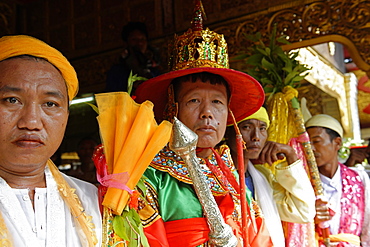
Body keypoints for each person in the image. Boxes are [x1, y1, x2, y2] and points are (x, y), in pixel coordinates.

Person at [131, 2, 273, 246]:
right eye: (194, 100)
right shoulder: (149, 178)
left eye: (217, 102)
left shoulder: (230, 174)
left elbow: (259, 238)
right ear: (171, 109)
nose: (207, 113)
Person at [0, 35, 102, 246]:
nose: (31, 122)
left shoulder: (95, 201)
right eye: (12, 100)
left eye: (50, 104)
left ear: (66, 116)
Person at [225, 107, 316, 247]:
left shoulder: (262, 177)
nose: (256, 136)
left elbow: (303, 212)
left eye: (262, 128)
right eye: (246, 127)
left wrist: (290, 154)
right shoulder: (216, 175)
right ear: (227, 132)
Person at [305, 114, 370, 246]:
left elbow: (368, 228)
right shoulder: (304, 183)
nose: (310, 148)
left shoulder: (359, 178)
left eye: (316, 141)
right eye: (307, 143)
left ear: (337, 143)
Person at [105, 21, 161, 93]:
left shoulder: (153, 70)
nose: (139, 43)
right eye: (134, 40)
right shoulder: (117, 71)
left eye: (142, 39)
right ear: (126, 43)